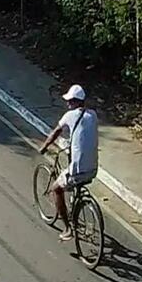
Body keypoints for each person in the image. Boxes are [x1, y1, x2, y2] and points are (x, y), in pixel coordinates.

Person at [38, 84, 99, 241]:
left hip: (78, 170)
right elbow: (83, 136)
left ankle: (67, 229)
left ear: (76, 102)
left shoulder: (69, 116)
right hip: (93, 169)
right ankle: (76, 203)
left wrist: (44, 147)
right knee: (73, 182)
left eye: (70, 101)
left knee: (56, 189)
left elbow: (56, 132)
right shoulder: (93, 115)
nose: (68, 104)